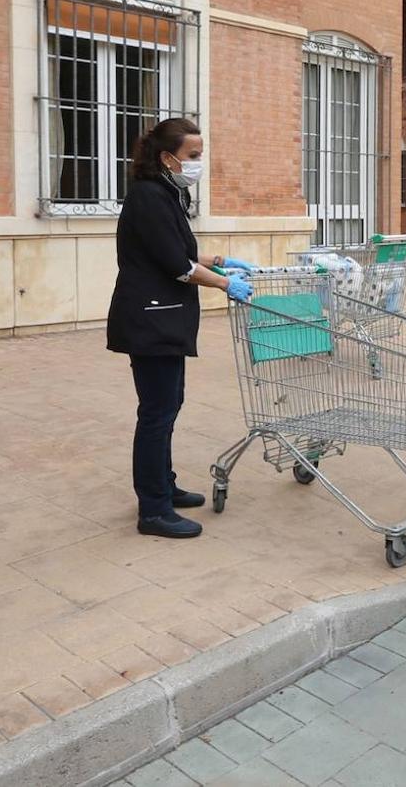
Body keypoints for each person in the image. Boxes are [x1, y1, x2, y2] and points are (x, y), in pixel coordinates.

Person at [107, 118, 256, 539]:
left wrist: (223, 262)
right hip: (150, 321)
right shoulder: (149, 198)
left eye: (200, 156)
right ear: (167, 158)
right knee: (156, 413)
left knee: (168, 406)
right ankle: (153, 510)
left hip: (164, 320)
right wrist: (226, 283)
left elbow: (182, 252)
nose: (198, 164)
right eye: (193, 156)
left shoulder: (167, 194)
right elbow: (177, 266)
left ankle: (164, 488)